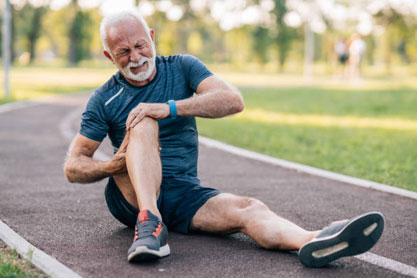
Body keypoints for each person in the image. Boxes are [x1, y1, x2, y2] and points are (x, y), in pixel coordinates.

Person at [63, 10, 384, 267]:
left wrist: (169, 108)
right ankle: (149, 224)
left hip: (183, 193)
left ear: (151, 37)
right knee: (143, 119)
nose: (135, 57)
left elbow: (232, 100)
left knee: (248, 208)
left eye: (140, 45)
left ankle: (314, 239)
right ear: (109, 56)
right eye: (123, 52)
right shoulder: (104, 98)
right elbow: (73, 166)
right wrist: (115, 163)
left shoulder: (182, 67)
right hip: (131, 195)